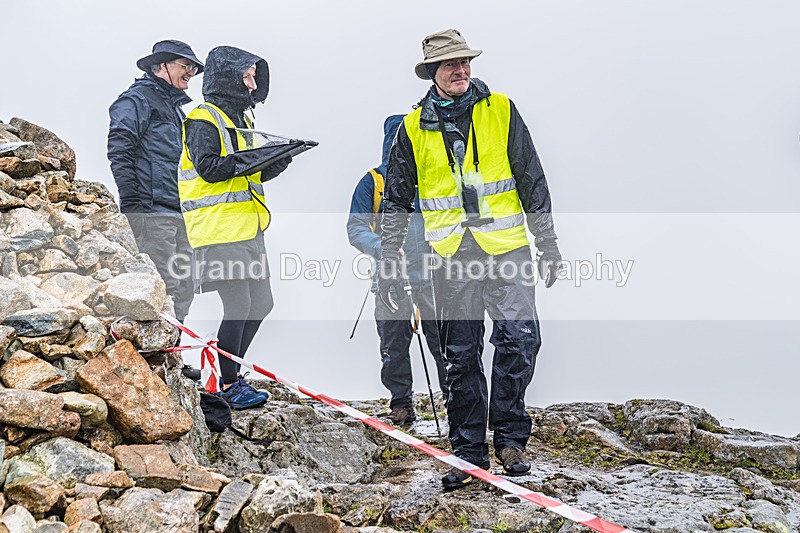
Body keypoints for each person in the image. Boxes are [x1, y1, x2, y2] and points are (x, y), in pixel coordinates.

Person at [379, 29, 563, 489]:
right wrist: (388, 263)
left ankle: (510, 440)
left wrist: (548, 243)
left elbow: (531, 178)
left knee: (519, 341)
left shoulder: (501, 108)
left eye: (465, 62)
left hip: (508, 249)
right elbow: (396, 200)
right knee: (460, 355)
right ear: (433, 73)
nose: (460, 70)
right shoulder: (410, 128)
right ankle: (468, 453)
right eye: (449, 65)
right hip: (450, 255)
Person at [178, 46, 293, 409]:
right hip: (216, 228)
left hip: (247, 228)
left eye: (254, 77)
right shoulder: (203, 118)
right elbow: (210, 168)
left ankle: (226, 367)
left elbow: (247, 170)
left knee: (262, 302)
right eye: (247, 76)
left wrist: (277, 160)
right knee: (240, 304)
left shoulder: (240, 120)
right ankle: (228, 385)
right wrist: (255, 159)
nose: (252, 83)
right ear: (228, 76)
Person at [347, 115, 448, 426]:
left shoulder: (433, 179)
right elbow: (355, 228)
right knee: (393, 343)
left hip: (434, 275)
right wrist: (383, 247)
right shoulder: (374, 183)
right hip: (389, 277)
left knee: (445, 342)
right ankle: (401, 404)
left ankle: (456, 398)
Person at [108, 40, 203, 323]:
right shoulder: (136, 99)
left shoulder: (176, 111)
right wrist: (133, 207)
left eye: (194, 68)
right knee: (163, 287)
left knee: (185, 289)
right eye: (186, 65)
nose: (191, 72)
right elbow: (119, 149)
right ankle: (156, 358)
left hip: (181, 214)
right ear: (161, 66)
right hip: (152, 214)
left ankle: (171, 362)